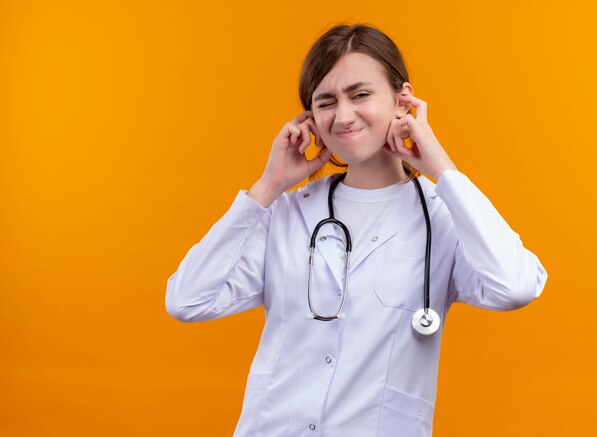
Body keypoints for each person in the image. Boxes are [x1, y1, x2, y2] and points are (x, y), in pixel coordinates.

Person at [165, 23, 548, 437]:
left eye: (361, 94)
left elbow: (515, 287)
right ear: (310, 117)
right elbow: (187, 301)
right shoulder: (287, 213)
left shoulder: (443, 218)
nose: (344, 116)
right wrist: (268, 187)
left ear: (403, 101)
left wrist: (441, 168)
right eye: (326, 101)